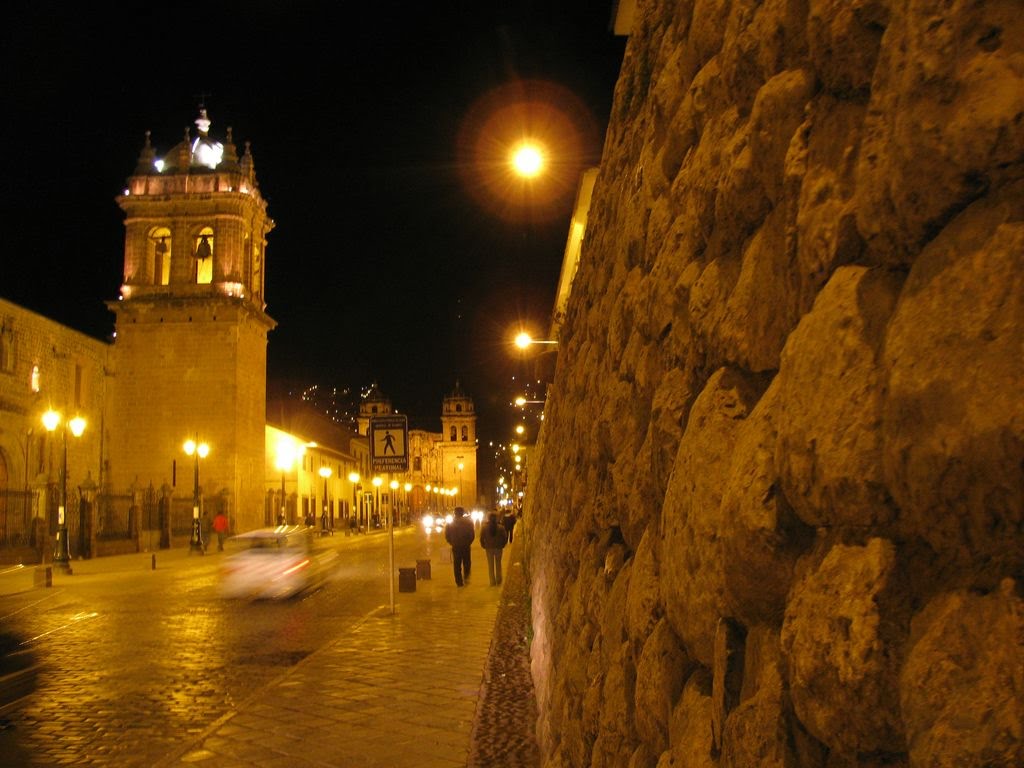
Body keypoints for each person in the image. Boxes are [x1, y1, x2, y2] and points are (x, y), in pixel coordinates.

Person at [444, 506, 475, 587]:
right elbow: (472, 534)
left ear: (455, 513)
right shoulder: (468, 522)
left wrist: (452, 542)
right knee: (467, 562)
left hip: (456, 546)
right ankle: (466, 577)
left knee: (457, 564)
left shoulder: (450, 523)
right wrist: (469, 542)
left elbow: (447, 535)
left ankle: (459, 582)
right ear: (462, 513)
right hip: (466, 546)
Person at [479, 512, 508, 586]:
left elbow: (481, 538)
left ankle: (492, 581)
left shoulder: (484, 527)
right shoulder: (501, 527)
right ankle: (499, 579)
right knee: (498, 564)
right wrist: (503, 545)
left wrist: (483, 545)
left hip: (489, 548)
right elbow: (505, 538)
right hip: (498, 548)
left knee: (490, 565)